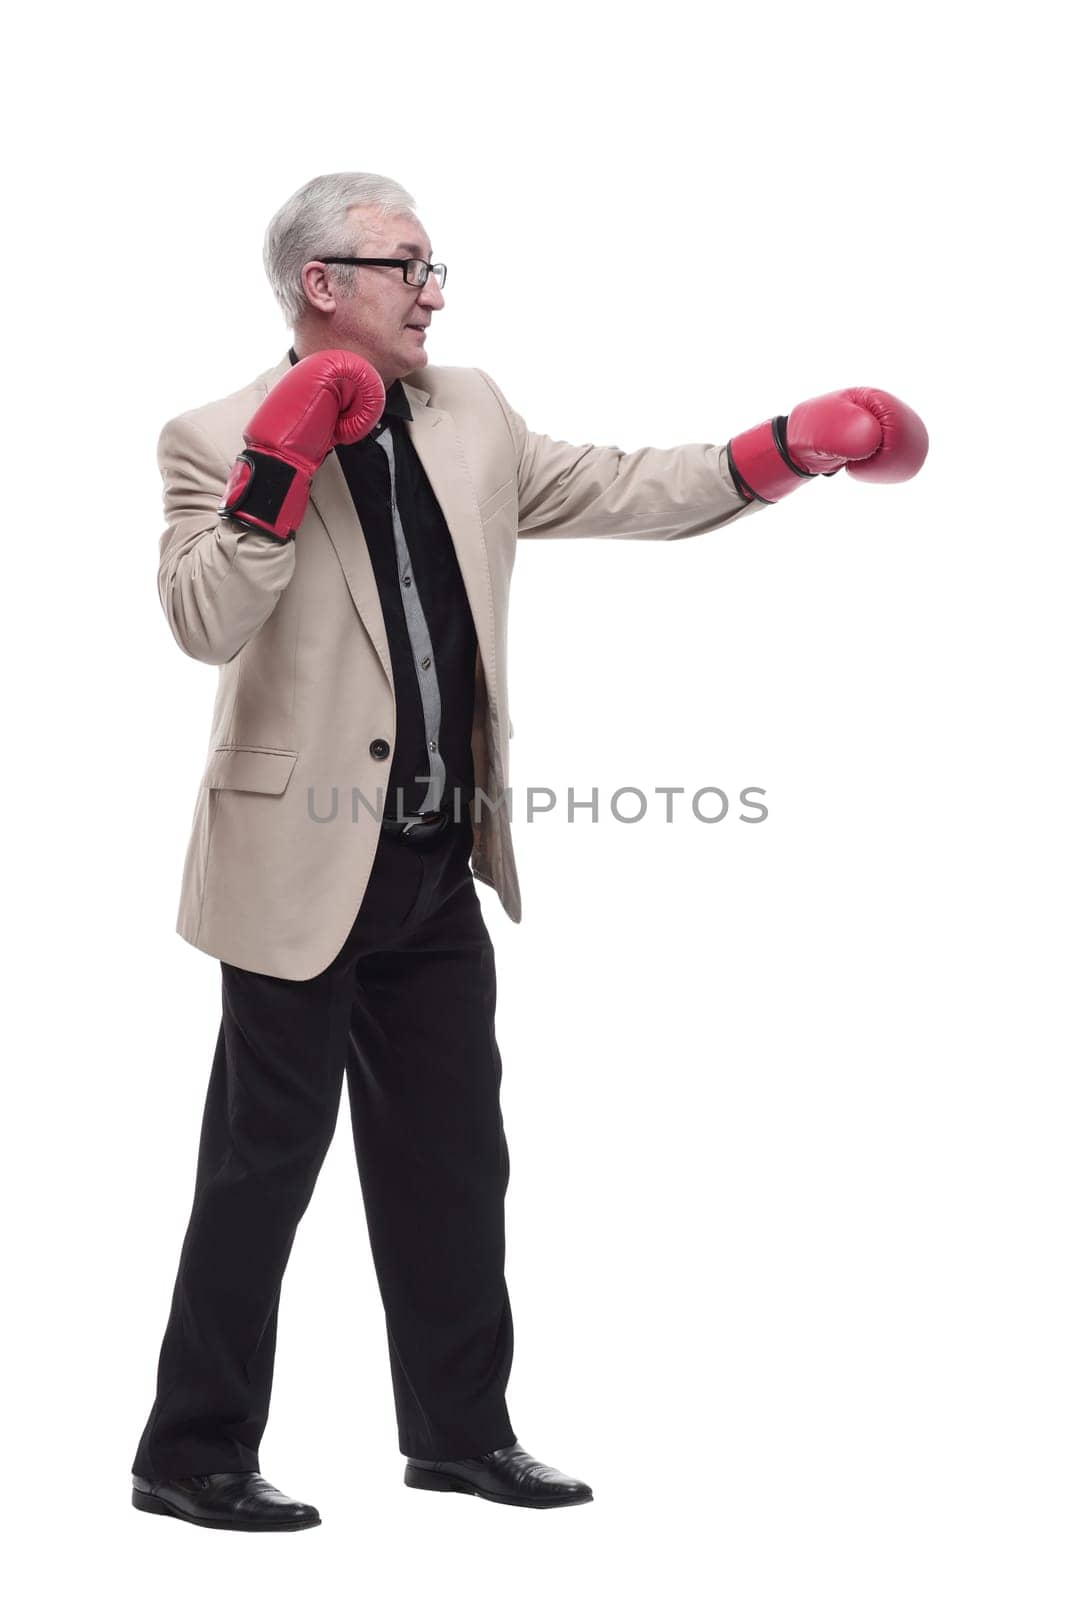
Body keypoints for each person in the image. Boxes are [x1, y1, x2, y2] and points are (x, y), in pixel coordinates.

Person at [131, 171, 929, 1533]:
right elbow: (204, 617)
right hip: (296, 865)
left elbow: (619, 487)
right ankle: (190, 1454)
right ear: (325, 282)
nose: (433, 293)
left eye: (438, 270)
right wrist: (283, 454)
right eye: (409, 267)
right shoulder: (210, 434)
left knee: (453, 1159)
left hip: (439, 860)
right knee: (262, 1166)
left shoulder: (473, 414)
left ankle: (460, 1434)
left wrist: (783, 446)